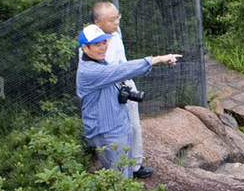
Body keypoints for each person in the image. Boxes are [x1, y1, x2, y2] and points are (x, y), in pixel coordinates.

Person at [76, 23, 179, 178]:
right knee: (120, 177)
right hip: (107, 131)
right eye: (97, 44)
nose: (103, 47)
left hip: (117, 126)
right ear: (85, 48)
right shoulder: (90, 71)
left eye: (104, 42)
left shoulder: (98, 62)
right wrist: (156, 59)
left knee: (126, 171)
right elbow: (121, 70)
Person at [86, 1, 145, 173]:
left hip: (126, 84)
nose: (116, 22)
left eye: (117, 17)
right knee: (117, 131)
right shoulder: (91, 43)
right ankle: (120, 170)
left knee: (134, 126)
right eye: (111, 20)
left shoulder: (115, 32)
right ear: (98, 22)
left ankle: (136, 165)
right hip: (110, 90)